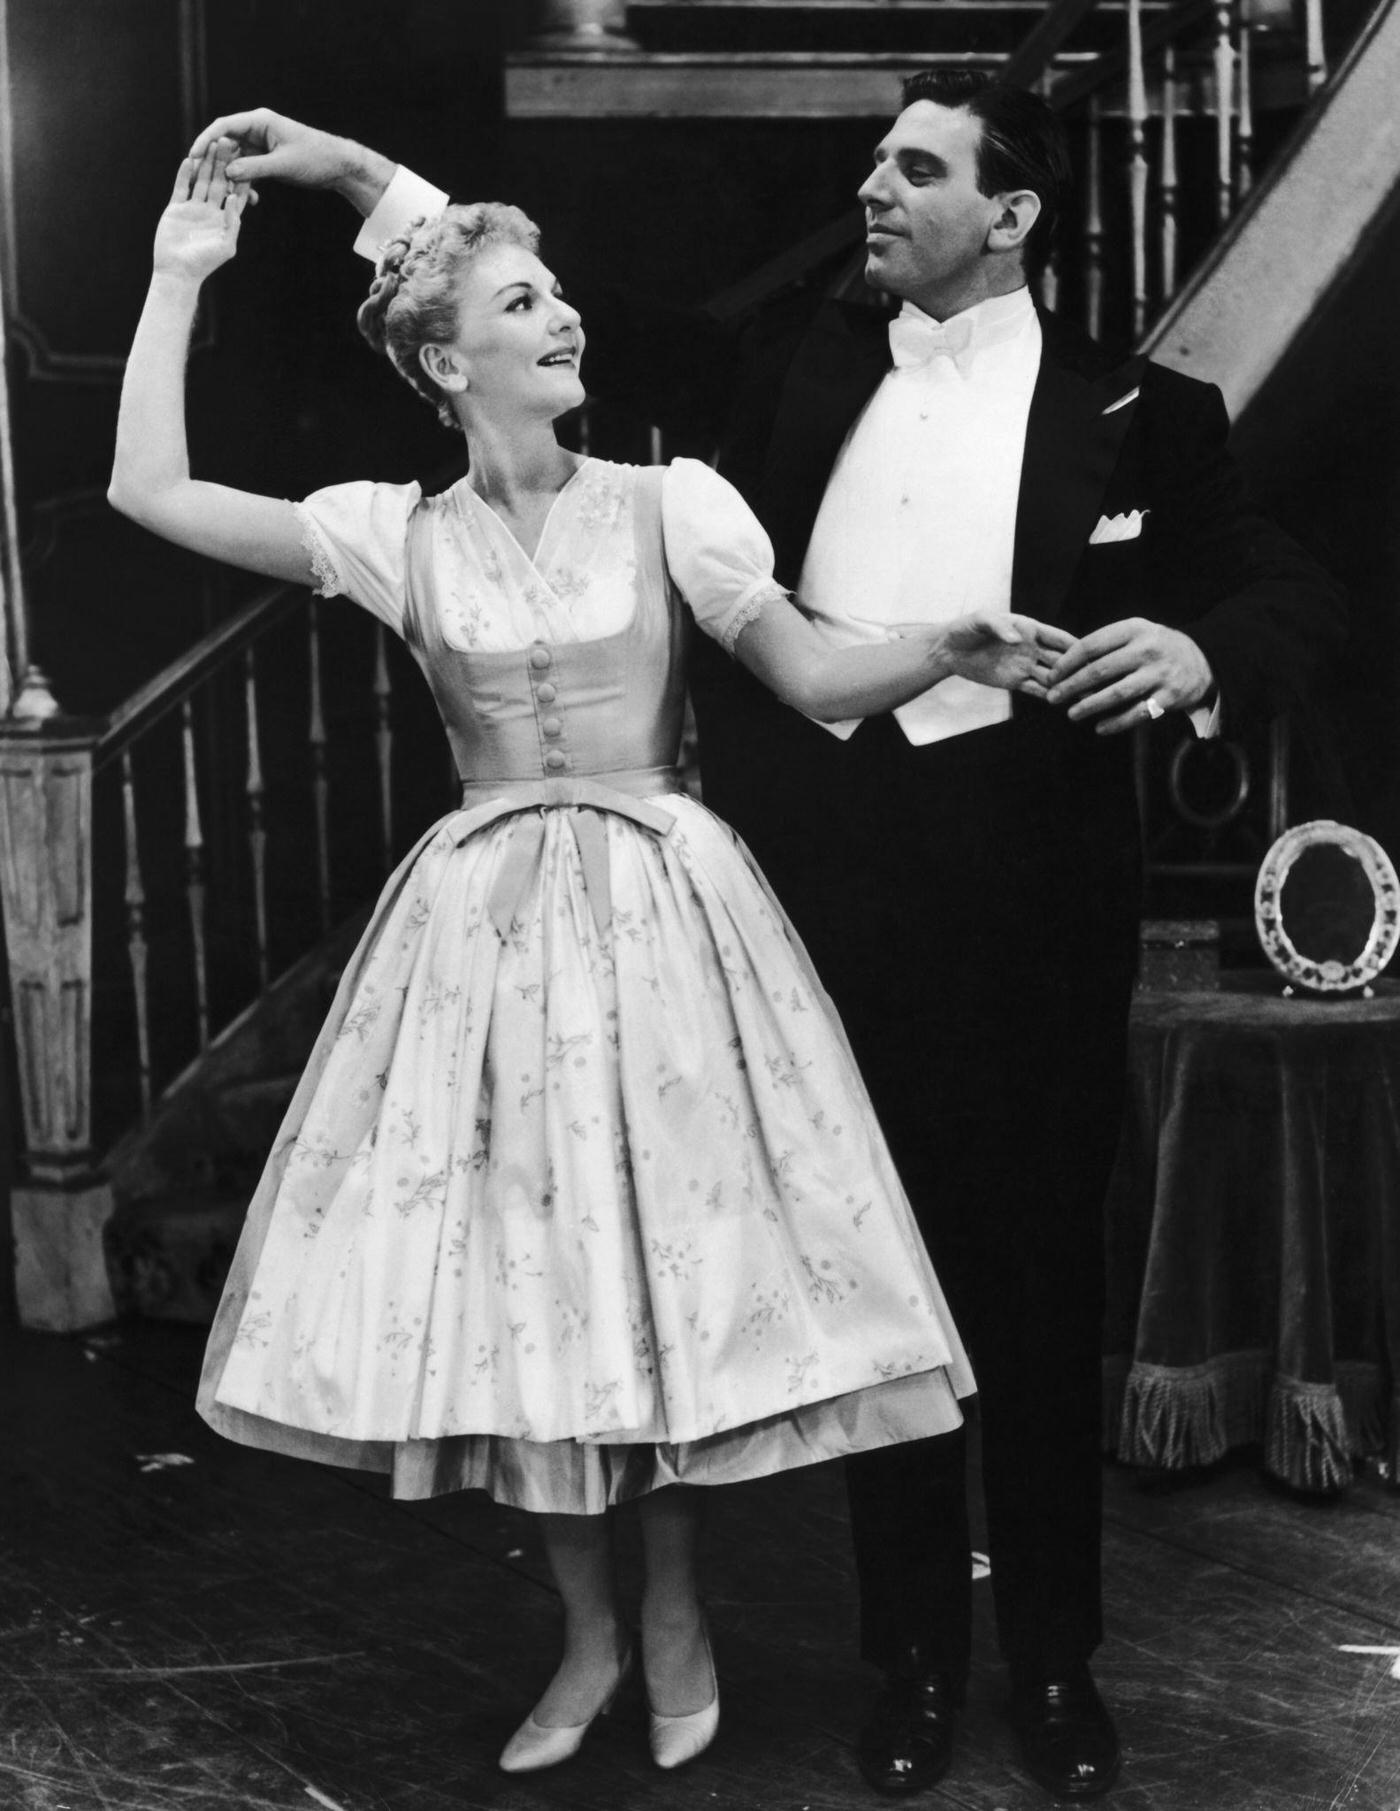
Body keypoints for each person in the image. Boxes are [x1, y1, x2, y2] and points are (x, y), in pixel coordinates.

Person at [187, 77, 1346, 1801]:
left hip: (1035, 903)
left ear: (1010, 212)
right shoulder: (793, 370)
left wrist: (1193, 653)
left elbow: (1287, 591)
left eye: (915, 167)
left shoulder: (1146, 409)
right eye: (880, 157)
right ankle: (912, 1667)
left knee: (1034, 1293)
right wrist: (360, 174)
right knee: (876, 1298)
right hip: (814, 912)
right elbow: (538, 319)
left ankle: (1052, 1670)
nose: (871, 185)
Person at [108, 145, 1078, 1779]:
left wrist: (950, 642)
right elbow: (150, 491)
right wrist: (178, 278)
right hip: (485, 941)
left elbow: (819, 678)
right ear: (443, 362)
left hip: (665, 923)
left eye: (553, 292)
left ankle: (680, 1616)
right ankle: (587, 1634)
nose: (562, 316)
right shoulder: (384, 534)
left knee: (667, 1273)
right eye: (519, 300)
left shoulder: (670, 504)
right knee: (528, 1288)